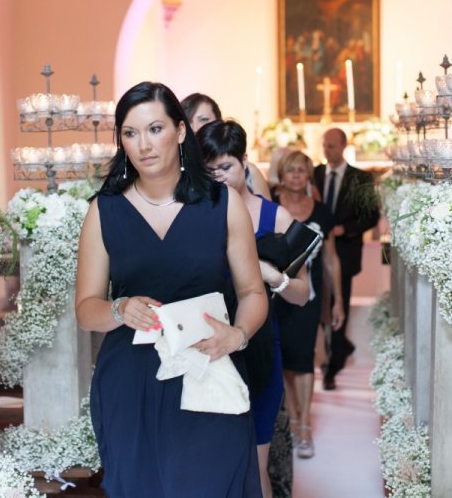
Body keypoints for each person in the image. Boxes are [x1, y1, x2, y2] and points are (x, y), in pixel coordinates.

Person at [75, 81, 268, 497]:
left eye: (155, 129)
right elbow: (86, 308)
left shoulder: (222, 203)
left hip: (207, 371)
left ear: (180, 132)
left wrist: (237, 335)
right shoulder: (104, 210)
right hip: (130, 381)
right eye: (130, 133)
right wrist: (119, 308)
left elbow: (253, 292)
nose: (144, 144)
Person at [197, 120, 309, 498]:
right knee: (212, 461)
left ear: (245, 162)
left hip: (260, 347)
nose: (219, 178)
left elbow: (302, 294)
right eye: (209, 171)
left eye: (226, 167)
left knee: (256, 462)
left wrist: (271, 276)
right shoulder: (193, 217)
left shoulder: (275, 218)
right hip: (207, 350)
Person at [272, 150, 344, 458]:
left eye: (302, 171)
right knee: (284, 360)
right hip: (274, 297)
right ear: (282, 175)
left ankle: (305, 424)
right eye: (291, 171)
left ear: (308, 176)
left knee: (304, 358)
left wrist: (338, 301)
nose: (297, 176)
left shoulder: (322, 212)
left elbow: (331, 259)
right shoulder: (271, 208)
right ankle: (291, 420)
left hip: (308, 297)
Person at [313, 128, 380, 390]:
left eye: (331, 146)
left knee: (337, 306)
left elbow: (371, 216)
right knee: (321, 306)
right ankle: (340, 348)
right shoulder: (316, 173)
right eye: (324, 146)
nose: (327, 151)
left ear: (343, 146)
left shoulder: (360, 178)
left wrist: (344, 229)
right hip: (318, 252)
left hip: (344, 251)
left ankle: (332, 366)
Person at [181, 92, 271, 200]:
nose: (195, 127)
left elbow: (265, 212)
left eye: (204, 119)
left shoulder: (249, 172)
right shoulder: (180, 170)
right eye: (188, 121)